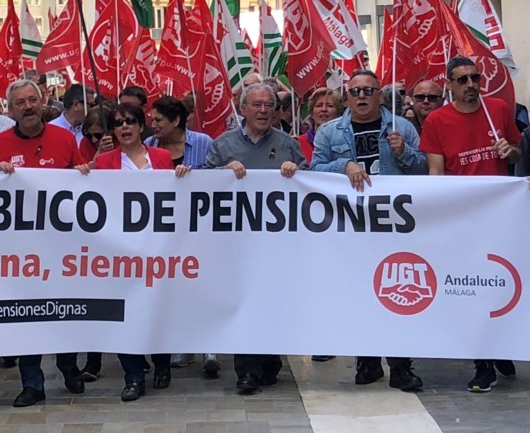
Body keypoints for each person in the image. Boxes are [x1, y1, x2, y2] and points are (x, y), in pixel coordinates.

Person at [310, 70, 426, 392]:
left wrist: (403, 152)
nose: (361, 96)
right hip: (350, 226)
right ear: (346, 96)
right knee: (360, 292)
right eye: (355, 91)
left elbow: (424, 172)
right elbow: (315, 171)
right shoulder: (329, 132)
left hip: (394, 226)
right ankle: (367, 360)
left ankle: (401, 366)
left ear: (379, 94)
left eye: (368, 90)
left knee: (394, 292)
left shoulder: (402, 127)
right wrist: (343, 166)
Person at [420, 56, 522, 393]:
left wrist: (511, 152)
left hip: (500, 215)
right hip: (463, 218)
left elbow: (518, 154)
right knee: (474, 288)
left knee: (503, 283)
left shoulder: (498, 111)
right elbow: (436, 172)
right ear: (449, 83)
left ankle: (500, 348)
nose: (470, 85)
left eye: (474, 78)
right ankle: (484, 363)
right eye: (462, 80)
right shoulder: (437, 120)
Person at [0, 79, 85, 408]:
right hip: (19, 252)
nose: (27, 107)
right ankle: (32, 382)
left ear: (42, 103)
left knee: (65, 310)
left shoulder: (65, 138)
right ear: (10, 110)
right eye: (20, 103)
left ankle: (69, 366)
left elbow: (83, 185)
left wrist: (85, 172)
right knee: (26, 315)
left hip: (62, 248)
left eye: (32, 100)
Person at [203, 83, 306, 395]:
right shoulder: (223, 145)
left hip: (278, 245)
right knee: (245, 304)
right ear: (243, 108)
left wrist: (297, 171)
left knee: (271, 302)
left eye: (268, 105)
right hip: (237, 243)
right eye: (256, 105)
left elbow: (312, 183)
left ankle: (268, 359)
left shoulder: (288, 144)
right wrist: (222, 171)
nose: (263, 110)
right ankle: (246, 371)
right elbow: (201, 185)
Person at [90, 104, 187, 401]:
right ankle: (132, 375)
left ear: (141, 125)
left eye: (131, 121)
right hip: (119, 252)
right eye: (118, 123)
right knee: (123, 314)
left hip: (157, 249)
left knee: (158, 309)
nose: (125, 127)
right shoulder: (104, 162)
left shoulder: (160, 157)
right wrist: (84, 172)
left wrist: (181, 174)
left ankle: (161, 363)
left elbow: (175, 197)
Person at [144, 95, 217, 376]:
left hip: (200, 228)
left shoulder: (203, 143)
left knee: (203, 286)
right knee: (172, 286)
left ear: (176, 121)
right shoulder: (148, 146)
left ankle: (209, 346)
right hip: (163, 230)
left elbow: (214, 178)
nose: (153, 125)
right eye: (152, 120)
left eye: (158, 120)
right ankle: (181, 343)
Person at [298, 88, 344, 163]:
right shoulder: (298, 143)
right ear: (311, 113)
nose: (324, 109)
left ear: (339, 113)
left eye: (329, 106)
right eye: (319, 105)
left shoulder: (346, 142)